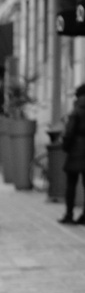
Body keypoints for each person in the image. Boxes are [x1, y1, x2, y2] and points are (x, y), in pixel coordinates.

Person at [59, 84, 85, 224]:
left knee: (71, 184)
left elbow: (70, 131)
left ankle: (69, 214)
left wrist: (66, 147)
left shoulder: (77, 110)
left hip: (76, 149)